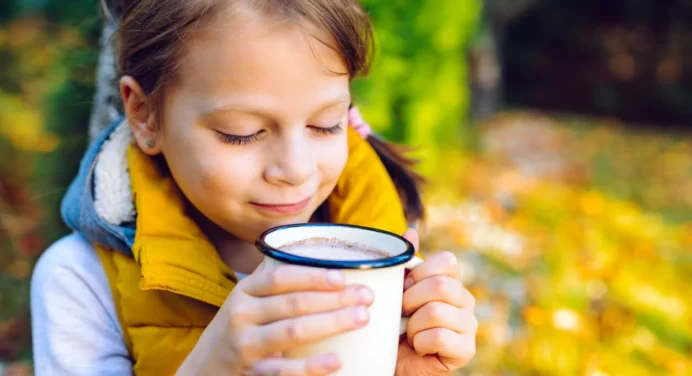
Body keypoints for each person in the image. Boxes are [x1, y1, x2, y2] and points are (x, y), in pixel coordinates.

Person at [30, 0, 477, 374]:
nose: (295, 169)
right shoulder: (81, 282)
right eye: (241, 133)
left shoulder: (384, 252)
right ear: (146, 115)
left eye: (325, 125)